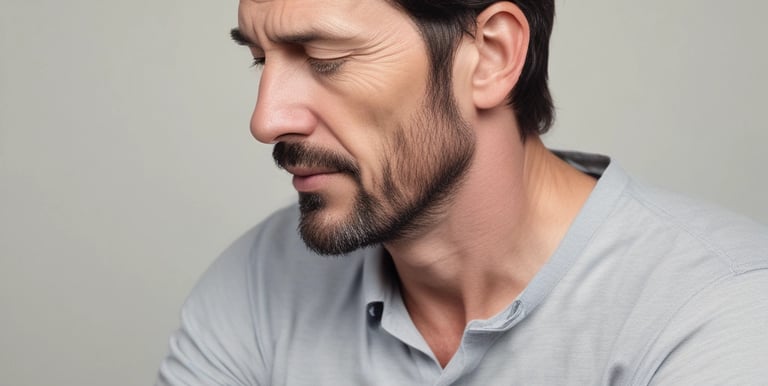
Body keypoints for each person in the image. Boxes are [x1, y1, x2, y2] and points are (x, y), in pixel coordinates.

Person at [156, 0, 768, 384]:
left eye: (324, 58)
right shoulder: (261, 281)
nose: (266, 120)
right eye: (261, 60)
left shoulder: (718, 312)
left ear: (492, 56)